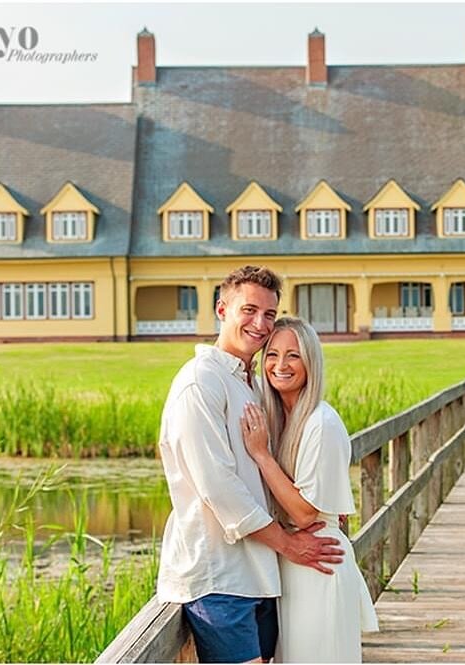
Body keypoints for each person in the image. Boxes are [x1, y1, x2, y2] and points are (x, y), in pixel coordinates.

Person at [156, 266, 345, 664]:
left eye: (269, 314)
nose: (260, 324)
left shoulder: (249, 382)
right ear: (222, 309)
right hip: (220, 577)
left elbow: (268, 466)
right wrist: (289, 543)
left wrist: (317, 511)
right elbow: (219, 489)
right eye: (249, 310)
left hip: (259, 573)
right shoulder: (199, 383)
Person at [240, 317, 379, 663]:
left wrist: (261, 455)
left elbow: (304, 514)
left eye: (293, 356)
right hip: (294, 565)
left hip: (319, 562)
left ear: (311, 362)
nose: (281, 365)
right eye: (272, 354)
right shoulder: (281, 419)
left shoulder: (321, 423)